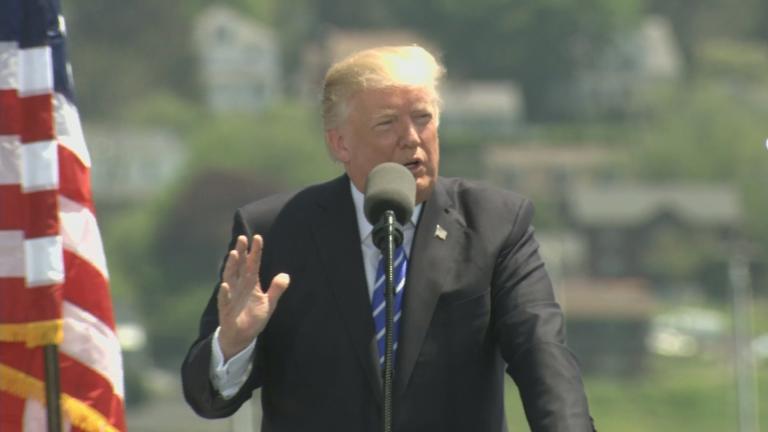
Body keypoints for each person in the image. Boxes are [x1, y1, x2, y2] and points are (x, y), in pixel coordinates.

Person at [181, 45, 595, 431]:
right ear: (339, 143)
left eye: (423, 118)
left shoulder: (496, 224)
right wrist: (234, 343)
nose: (411, 138)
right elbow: (207, 398)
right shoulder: (273, 233)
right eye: (387, 124)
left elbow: (541, 354)